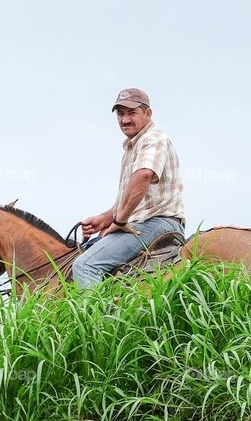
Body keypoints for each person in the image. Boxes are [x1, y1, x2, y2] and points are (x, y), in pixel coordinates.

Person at [72, 88, 186, 288]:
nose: (125, 120)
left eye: (131, 113)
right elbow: (135, 197)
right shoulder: (133, 146)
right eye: (120, 114)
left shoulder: (153, 139)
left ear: (148, 113)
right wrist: (106, 218)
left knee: (86, 265)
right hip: (146, 220)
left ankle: (94, 320)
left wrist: (120, 219)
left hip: (158, 222)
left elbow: (144, 175)